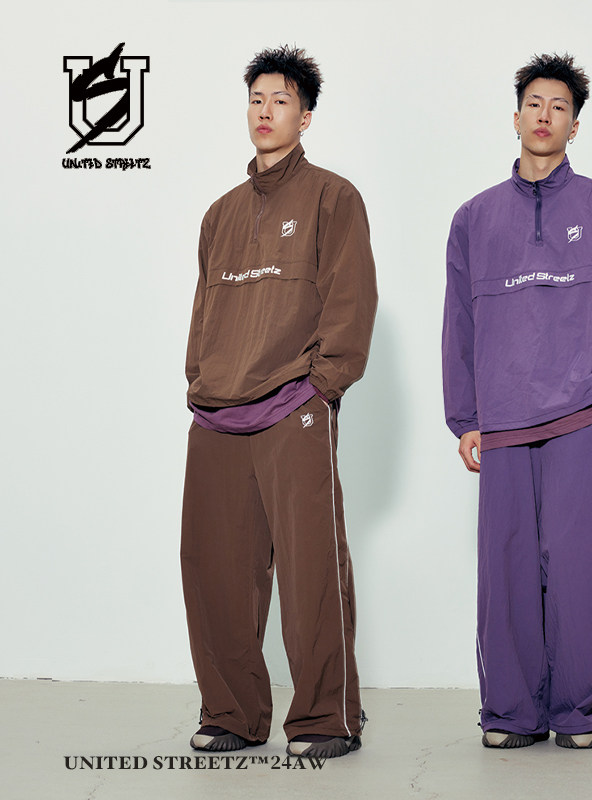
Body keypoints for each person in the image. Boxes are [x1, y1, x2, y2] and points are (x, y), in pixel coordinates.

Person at [442, 53, 592, 750]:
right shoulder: (474, 218)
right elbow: (459, 324)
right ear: (515, 117)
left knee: (581, 566)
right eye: (534, 103)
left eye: (559, 107)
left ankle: (576, 712)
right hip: (503, 421)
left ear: (575, 125)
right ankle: (511, 713)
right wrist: (466, 417)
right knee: (505, 572)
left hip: (583, 417)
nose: (544, 115)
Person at [181, 45, 377, 759]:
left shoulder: (333, 197)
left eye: (282, 101)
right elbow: (203, 311)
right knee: (214, 569)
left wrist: (322, 385)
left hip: (295, 404)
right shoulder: (220, 214)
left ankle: (326, 719)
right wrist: (199, 380)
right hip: (217, 412)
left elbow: (352, 301)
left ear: (306, 116)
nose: (266, 111)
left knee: (310, 570)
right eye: (257, 99)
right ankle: (232, 713)